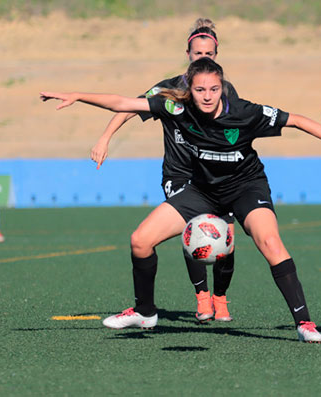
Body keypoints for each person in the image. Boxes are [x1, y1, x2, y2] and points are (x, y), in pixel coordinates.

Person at [41, 57, 321, 342]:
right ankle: (144, 312)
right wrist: (77, 95)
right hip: (201, 191)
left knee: (271, 243)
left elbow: (298, 121)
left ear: (222, 87)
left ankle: (304, 322)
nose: (206, 96)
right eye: (200, 89)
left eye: (213, 89)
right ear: (190, 88)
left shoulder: (245, 112)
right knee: (140, 241)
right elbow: (123, 103)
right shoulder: (176, 107)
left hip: (246, 187)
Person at [91, 18, 240, 322]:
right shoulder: (169, 88)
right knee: (195, 232)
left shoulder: (223, 90)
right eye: (198, 54)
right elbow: (130, 107)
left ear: (216, 53)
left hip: (217, 177)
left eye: (209, 54)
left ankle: (220, 296)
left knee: (227, 238)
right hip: (180, 176)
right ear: (188, 54)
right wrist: (105, 138)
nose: (203, 58)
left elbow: (236, 129)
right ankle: (201, 297)